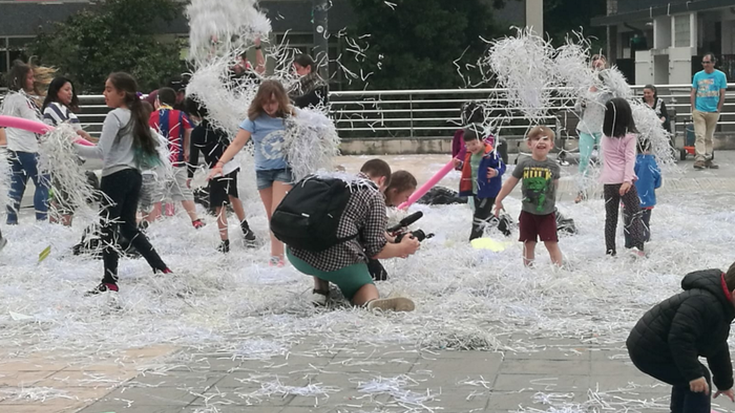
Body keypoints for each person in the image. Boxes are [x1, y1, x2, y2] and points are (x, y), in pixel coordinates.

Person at [74, 72, 172, 295]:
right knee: (128, 227)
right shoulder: (135, 116)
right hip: (133, 176)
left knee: (108, 228)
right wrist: (84, 140)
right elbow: (112, 147)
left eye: (108, 89)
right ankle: (161, 267)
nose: (104, 93)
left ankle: (110, 280)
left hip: (115, 177)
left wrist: (71, 145)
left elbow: (101, 153)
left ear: (122, 93)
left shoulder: (114, 116)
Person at [286, 159, 420, 310]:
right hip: (337, 263)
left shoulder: (332, 180)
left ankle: (320, 290)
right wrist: (403, 248)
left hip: (295, 253)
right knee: (365, 286)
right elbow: (376, 251)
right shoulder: (373, 194)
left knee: (322, 230)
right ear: (382, 180)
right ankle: (370, 302)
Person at [207, 80, 294, 266]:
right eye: (264, 102)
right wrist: (220, 163)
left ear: (280, 100)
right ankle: (276, 255)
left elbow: (311, 131)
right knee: (271, 216)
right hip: (263, 172)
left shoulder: (290, 118)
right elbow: (237, 143)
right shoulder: (253, 120)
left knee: (277, 212)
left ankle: (279, 256)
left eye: (272, 102)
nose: (269, 107)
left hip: (283, 170)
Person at [627, 265, 735, 413]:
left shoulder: (721, 304)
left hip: (662, 346)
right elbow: (680, 338)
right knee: (698, 378)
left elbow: (716, 346)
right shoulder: (704, 302)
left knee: (688, 377)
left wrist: (724, 383)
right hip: (648, 349)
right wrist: (693, 375)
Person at [186, 97, 257, 253]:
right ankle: (246, 229)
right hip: (231, 164)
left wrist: (189, 176)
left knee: (219, 205)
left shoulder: (197, 133)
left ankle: (224, 242)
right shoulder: (220, 124)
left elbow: (193, 159)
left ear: (194, 114)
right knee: (233, 195)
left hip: (217, 170)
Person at [495, 126, 562, 267]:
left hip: (547, 213)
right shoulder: (524, 164)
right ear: (529, 144)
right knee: (528, 243)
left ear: (551, 145)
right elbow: (510, 182)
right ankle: (528, 270)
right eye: (537, 139)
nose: (541, 142)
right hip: (527, 212)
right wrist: (499, 199)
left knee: (551, 243)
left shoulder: (553, 166)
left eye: (545, 139)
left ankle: (559, 270)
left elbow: (555, 186)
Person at [42, 76, 97, 226]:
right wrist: (84, 136)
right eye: (66, 90)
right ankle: (65, 227)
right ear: (56, 91)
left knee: (60, 194)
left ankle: (56, 226)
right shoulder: (54, 107)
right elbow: (68, 130)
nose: (70, 93)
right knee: (67, 194)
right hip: (63, 159)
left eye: (71, 90)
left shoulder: (60, 108)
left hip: (65, 159)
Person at [148, 87, 205, 229]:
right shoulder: (180, 115)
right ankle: (195, 220)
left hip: (158, 162)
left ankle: (151, 225)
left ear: (157, 101)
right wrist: (186, 148)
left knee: (156, 194)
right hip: (177, 160)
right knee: (184, 192)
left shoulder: (151, 116)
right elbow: (191, 130)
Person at [2, 60, 50, 224]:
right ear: (22, 79)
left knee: (16, 186)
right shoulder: (22, 100)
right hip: (27, 148)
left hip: (13, 148)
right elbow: (34, 124)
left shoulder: (7, 99)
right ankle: (42, 221)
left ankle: (11, 221)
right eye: (30, 78)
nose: (33, 81)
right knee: (43, 182)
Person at [599, 98, 646, 257]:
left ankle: (610, 251)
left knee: (610, 218)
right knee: (635, 214)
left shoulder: (604, 136)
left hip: (608, 181)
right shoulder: (630, 136)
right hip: (624, 181)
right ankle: (637, 248)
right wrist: (627, 180)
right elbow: (629, 158)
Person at [453, 127, 507, 240]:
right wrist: (460, 165)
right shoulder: (470, 154)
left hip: (489, 191)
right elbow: (469, 169)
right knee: (482, 214)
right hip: (475, 190)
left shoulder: (491, 153)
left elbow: (502, 166)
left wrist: (496, 172)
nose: (472, 147)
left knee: (478, 216)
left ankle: (474, 240)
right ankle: (503, 226)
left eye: (474, 143)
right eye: (468, 145)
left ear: (482, 140)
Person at [574, 54, 613, 203]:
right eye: (595, 64)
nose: (597, 65)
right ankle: (581, 191)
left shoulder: (609, 86)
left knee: (605, 160)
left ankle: (607, 189)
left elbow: (616, 98)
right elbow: (577, 106)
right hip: (586, 127)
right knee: (584, 159)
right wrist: (582, 104)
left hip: (603, 128)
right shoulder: (585, 86)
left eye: (600, 63)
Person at [691, 53, 727, 170]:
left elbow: (722, 93)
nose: (705, 65)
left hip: (713, 110)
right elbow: (693, 92)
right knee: (700, 135)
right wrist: (694, 108)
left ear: (713, 63)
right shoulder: (698, 75)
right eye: (704, 63)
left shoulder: (721, 76)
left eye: (707, 62)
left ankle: (708, 157)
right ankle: (700, 158)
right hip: (699, 109)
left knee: (709, 136)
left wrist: (719, 108)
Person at [624, 139, 661, 248]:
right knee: (645, 223)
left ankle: (629, 244)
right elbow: (658, 181)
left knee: (629, 223)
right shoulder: (653, 162)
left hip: (630, 198)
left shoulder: (633, 161)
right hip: (647, 198)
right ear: (649, 148)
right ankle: (645, 243)